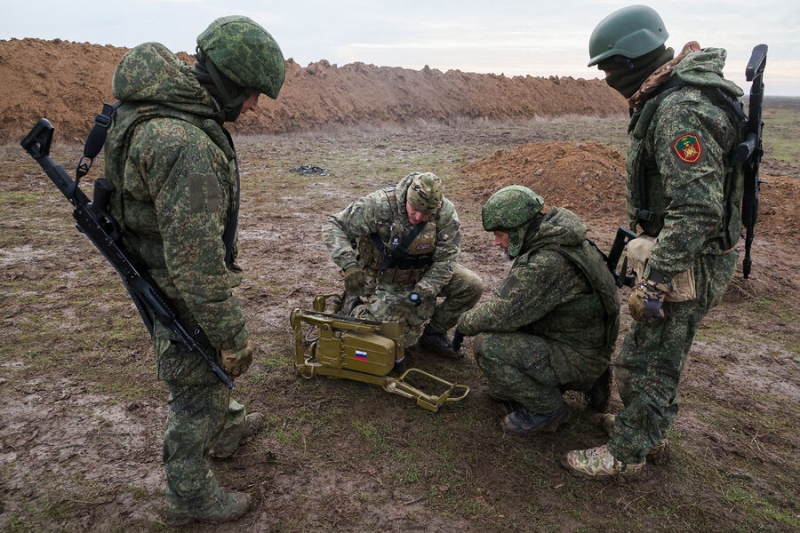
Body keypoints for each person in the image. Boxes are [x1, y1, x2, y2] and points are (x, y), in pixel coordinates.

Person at [103, 16, 286, 524]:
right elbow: (198, 265)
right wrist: (234, 336)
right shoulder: (185, 145)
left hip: (159, 268)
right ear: (227, 82)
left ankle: (226, 426)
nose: (252, 106)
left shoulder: (163, 110)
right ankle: (189, 494)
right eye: (250, 94)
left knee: (201, 376)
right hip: (176, 283)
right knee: (195, 386)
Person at [562, 5, 746, 479]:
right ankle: (648, 433)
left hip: (688, 260)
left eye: (607, 66)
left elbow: (698, 207)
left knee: (647, 361)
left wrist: (656, 282)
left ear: (629, 60)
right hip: (685, 251)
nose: (604, 75)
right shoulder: (673, 94)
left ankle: (626, 454)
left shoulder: (678, 110)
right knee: (657, 354)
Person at [454, 186, 620, 434]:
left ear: (519, 228)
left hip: (578, 352)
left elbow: (504, 312)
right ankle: (588, 381)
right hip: (583, 342)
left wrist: (464, 323)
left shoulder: (547, 261)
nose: (496, 241)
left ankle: (546, 409)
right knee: (501, 389)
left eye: (500, 234)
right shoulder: (559, 238)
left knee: (487, 348)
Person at [322, 172, 484, 360]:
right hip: (383, 278)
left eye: (426, 214)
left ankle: (434, 334)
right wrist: (349, 264)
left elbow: (446, 261)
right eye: (414, 209)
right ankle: (355, 304)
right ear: (407, 197)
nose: (418, 217)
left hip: (422, 273)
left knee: (472, 285)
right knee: (399, 340)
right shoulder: (379, 205)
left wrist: (418, 295)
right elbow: (334, 225)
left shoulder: (445, 214)